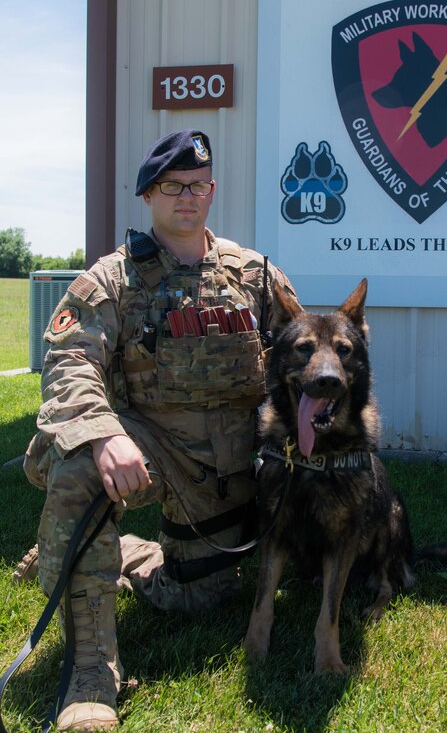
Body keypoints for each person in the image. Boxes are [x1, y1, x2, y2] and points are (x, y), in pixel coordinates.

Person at [16, 129, 296, 731]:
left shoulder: (255, 274)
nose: (187, 197)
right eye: (173, 186)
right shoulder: (113, 280)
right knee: (80, 471)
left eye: (197, 186)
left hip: (232, 470)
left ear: (212, 191)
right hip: (151, 449)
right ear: (149, 195)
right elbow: (70, 361)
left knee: (199, 598)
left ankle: (125, 553)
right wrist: (102, 433)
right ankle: (92, 672)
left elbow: (302, 356)